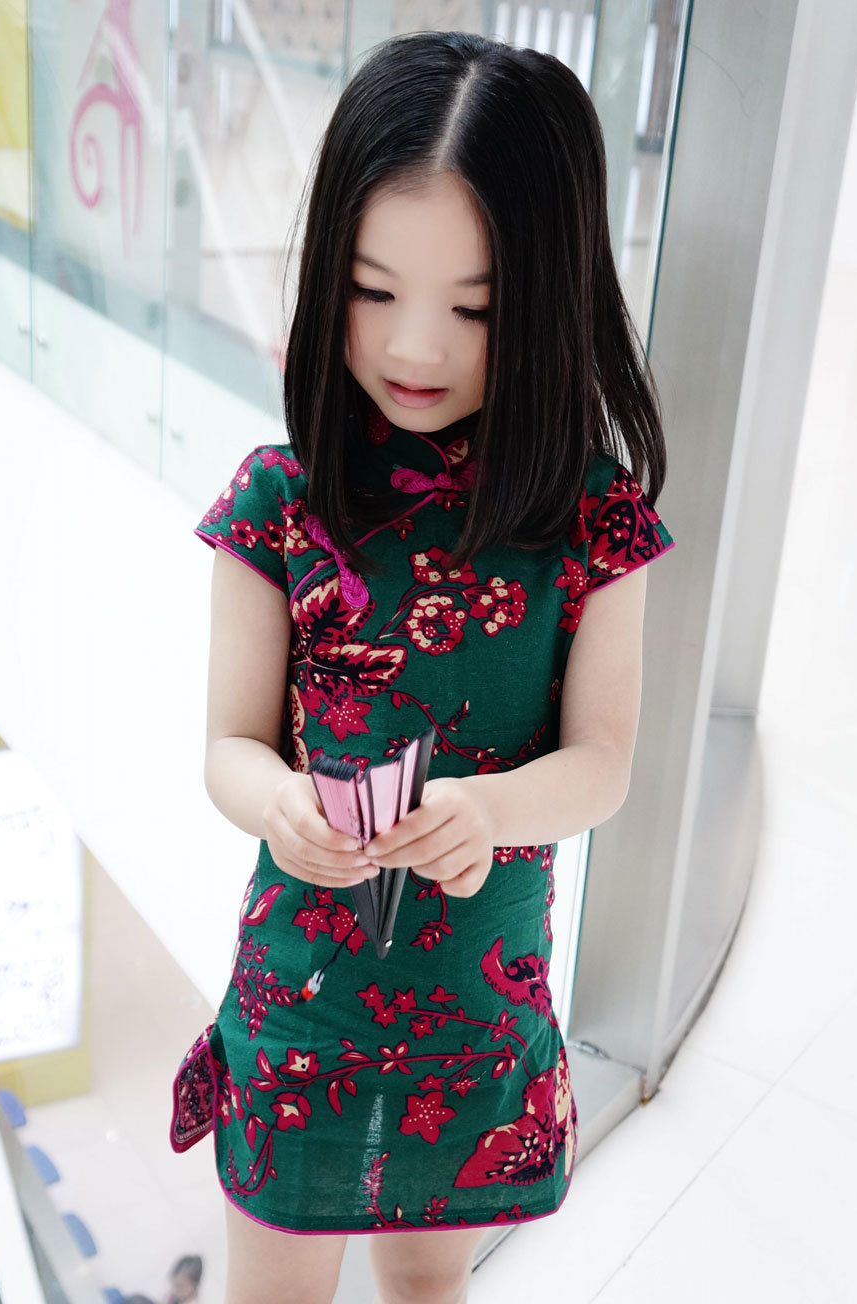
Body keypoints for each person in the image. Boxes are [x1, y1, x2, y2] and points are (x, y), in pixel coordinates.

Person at [185, 29, 675, 1304]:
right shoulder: (277, 498)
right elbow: (228, 748)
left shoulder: (592, 519)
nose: (416, 347)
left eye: (474, 309)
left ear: (550, 299)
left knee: (425, 1284)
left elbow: (606, 762)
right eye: (369, 287)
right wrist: (279, 804)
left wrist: (494, 810)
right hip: (299, 996)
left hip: (477, 1013)